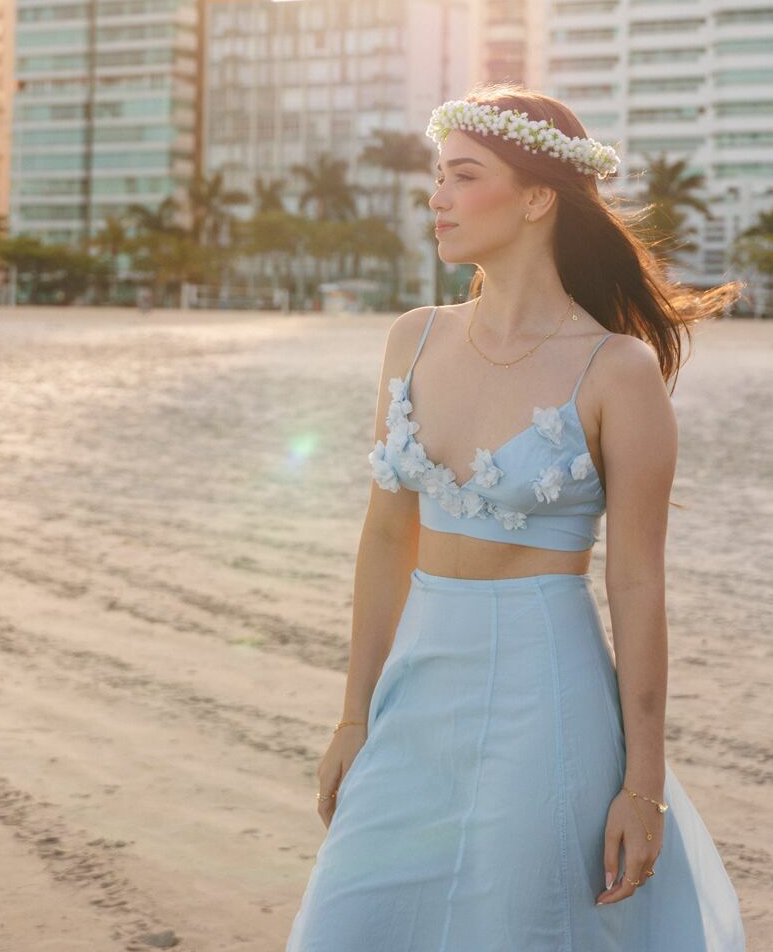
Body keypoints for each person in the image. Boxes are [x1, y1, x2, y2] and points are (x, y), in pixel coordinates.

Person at [284, 85, 748, 951]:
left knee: (523, 925)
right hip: (416, 690)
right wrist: (354, 715)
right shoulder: (413, 338)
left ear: (537, 199)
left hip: (548, 692)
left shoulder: (618, 371)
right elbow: (387, 537)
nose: (438, 198)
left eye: (464, 177)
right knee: (354, 919)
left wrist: (641, 781)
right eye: (438, 177)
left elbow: (638, 583)